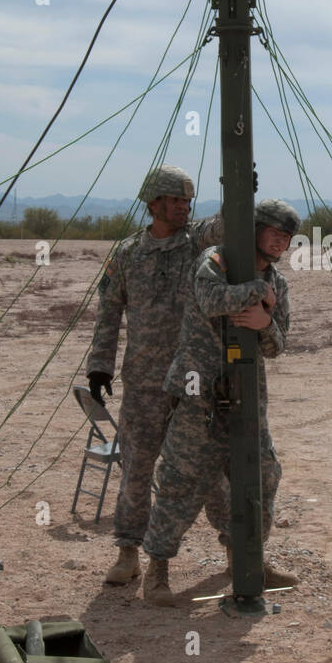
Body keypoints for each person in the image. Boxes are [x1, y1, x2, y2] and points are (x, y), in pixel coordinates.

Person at [141, 198, 299, 605]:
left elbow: (278, 344)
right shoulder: (216, 260)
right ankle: (156, 572)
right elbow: (212, 300)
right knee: (181, 480)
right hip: (199, 391)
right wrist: (256, 293)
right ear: (253, 229)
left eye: (287, 237)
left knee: (262, 474)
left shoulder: (278, 282)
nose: (281, 242)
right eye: (274, 232)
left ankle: (248, 561)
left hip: (246, 393)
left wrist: (265, 323)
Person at [85, 164, 223, 585]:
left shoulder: (196, 243)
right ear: (153, 204)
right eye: (176, 200)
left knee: (208, 470)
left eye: (188, 200)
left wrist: (239, 190)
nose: (185, 206)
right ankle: (128, 553)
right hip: (144, 384)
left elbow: (226, 225)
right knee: (136, 471)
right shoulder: (127, 254)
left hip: (192, 384)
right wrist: (99, 365)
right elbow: (108, 311)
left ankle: (237, 550)